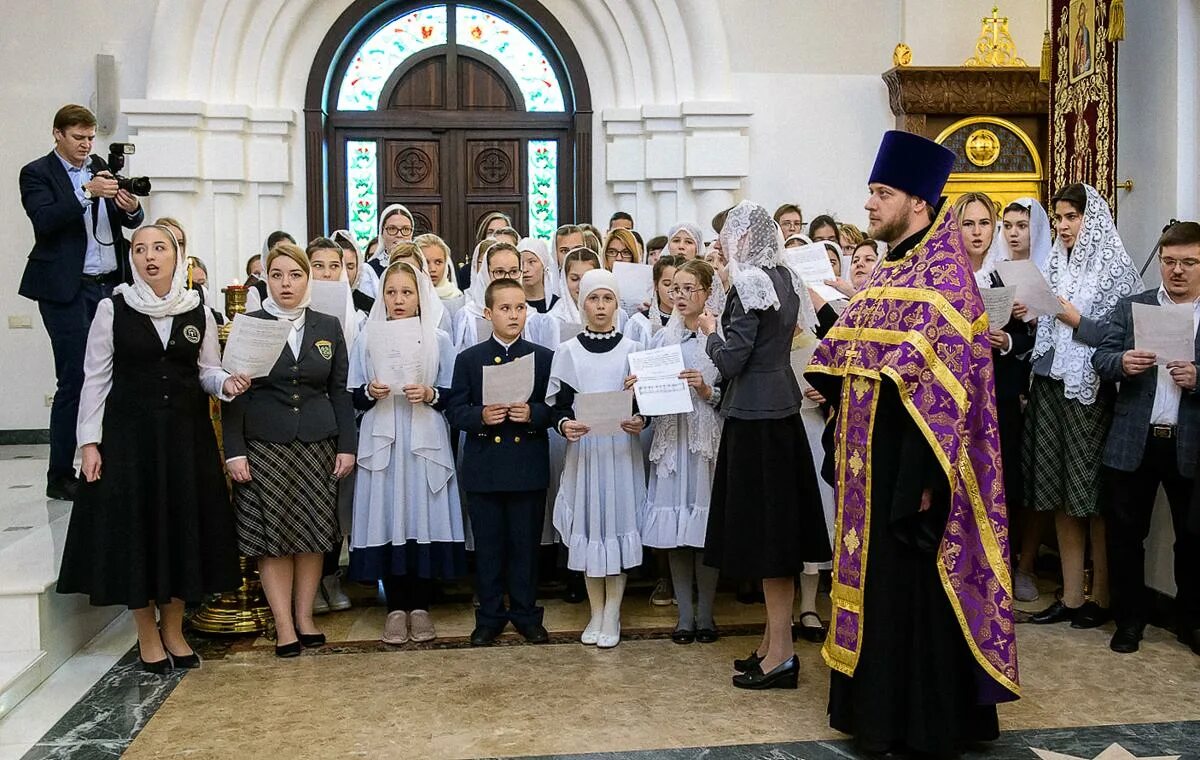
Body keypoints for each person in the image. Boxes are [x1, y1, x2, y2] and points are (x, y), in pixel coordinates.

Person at [807, 130, 1019, 754]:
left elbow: (948, 394)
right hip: (868, 465)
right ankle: (874, 712)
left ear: (919, 203)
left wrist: (924, 480)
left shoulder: (944, 276)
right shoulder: (893, 268)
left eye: (882, 193)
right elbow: (853, 352)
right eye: (872, 192)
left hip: (915, 474)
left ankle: (922, 722)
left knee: (914, 594)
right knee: (879, 591)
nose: (869, 205)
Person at [56, 225, 246, 672]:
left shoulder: (198, 309)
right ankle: (147, 634)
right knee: (138, 534)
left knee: (181, 531)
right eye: (140, 249)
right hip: (130, 441)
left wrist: (228, 384)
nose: (149, 256)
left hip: (185, 440)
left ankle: (175, 631)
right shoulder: (113, 308)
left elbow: (207, 372)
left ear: (178, 255)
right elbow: (96, 379)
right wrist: (89, 443)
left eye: (159, 248)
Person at [697, 201, 827, 690]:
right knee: (777, 537)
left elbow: (732, 360)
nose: (723, 246)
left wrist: (710, 332)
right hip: (780, 412)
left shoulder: (750, 281)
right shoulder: (788, 277)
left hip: (756, 417)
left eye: (728, 236)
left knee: (771, 541)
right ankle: (772, 645)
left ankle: (782, 655)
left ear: (743, 238)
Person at [223, 242, 358, 657]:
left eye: (295, 275)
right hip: (266, 442)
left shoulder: (327, 325)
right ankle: (283, 625)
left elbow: (339, 390)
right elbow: (235, 392)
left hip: (318, 442)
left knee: (313, 534)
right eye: (277, 275)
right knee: (275, 538)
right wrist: (234, 450)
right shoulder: (250, 323)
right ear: (266, 278)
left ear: (308, 279)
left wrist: (347, 446)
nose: (286, 283)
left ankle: (305, 617)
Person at [1024, 183, 1142, 629]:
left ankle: (1101, 596)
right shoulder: (1055, 261)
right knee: (1056, 490)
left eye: (1071, 217)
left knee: (1090, 496)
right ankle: (1071, 596)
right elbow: (1046, 329)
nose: (1062, 226)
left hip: (1090, 391)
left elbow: (1115, 340)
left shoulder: (1117, 269)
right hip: (1052, 386)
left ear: (1090, 219)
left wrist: (1072, 317)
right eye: (1057, 218)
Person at [19, 104, 145, 501]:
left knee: (116, 374)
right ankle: (60, 474)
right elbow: (46, 221)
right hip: (65, 288)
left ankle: (106, 463)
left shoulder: (99, 169)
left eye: (90, 138)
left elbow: (127, 223)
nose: (85, 146)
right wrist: (85, 193)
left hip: (109, 285)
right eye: (78, 138)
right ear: (57, 134)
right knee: (74, 378)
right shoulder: (37, 173)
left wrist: (131, 208)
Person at [1093, 220, 1200, 656]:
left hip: (1188, 441)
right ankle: (1130, 621)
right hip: (1133, 439)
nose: (1177, 271)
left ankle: (1191, 622)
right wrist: (1123, 363)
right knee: (1124, 535)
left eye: (1189, 263)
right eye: (1170, 261)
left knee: (1193, 539)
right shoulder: (1132, 306)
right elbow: (1101, 356)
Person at [348, 261, 464, 645]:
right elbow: (353, 393)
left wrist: (431, 394)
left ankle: (421, 605)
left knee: (420, 515)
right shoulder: (367, 338)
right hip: (385, 435)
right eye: (391, 292)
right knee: (388, 514)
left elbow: (453, 394)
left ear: (420, 295)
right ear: (382, 295)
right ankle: (395, 606)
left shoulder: (438, 339)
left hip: (424, 436)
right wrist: (370, 392)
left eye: (407, 292)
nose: (398, 300)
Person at [446, 278, 555, 646]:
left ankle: (526, 614)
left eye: (520, 307)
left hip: (526, 464)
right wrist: (480, 417)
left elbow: (557, 408)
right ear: (488, 313)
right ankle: (489, 617)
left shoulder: (542, 357)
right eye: (505, 308)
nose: (514, 314)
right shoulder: (469, 358)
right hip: (486, 465)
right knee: (489, 547)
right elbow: (455, 410)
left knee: (525, 547)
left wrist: (533, 413)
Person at [549, 269, 647, 648]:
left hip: (620, 452)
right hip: (586, 453)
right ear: (582, 302)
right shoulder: (567, 351)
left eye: (607, 299)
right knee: (590, 528)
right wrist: (564, 424)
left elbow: (645, 404)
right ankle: (595, 610)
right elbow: (556, 405)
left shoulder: (633, 350)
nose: (600, 306)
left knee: (616, 525)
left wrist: (641, 418)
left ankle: (613, 612)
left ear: (615, 303)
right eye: (593, 299)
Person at [641, 259, 724, 644]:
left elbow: (731, 391)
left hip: (705, 439)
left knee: (704, 529)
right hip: (673, 439)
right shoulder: (660, 339)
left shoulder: (718, 337)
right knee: (675, 527)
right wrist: (640, 388)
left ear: (707, 293)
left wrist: (707, 391)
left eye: (690, 288)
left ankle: (706, 614)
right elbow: (648, 394)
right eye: (675, 288)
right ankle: (684, 616)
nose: (681, 295)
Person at [358, 204, 415, 299]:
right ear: (382, 233)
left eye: (405, 229)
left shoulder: (421, 265)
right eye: (392, 229)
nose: (399, 235)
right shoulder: (368, 270)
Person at [414, 233, 464, 315]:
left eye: (438, 262)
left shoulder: (458, 299)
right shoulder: (405, 297)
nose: (432, 269)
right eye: (426, 263)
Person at [519, 237, 559, 314]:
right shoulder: (513, 304)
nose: (525, 269)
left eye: (531, 262)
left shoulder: (558, 306)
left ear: (543, 265)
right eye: (521, 263)